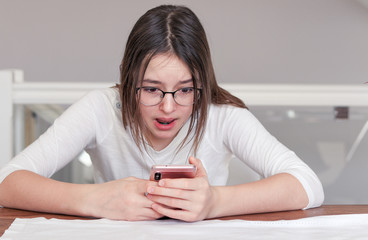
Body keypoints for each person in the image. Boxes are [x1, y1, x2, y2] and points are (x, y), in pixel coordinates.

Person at [0, 5, 324, 222]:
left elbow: (307, 184)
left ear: (203, 83)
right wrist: (95, 199)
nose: (168, 107)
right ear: (127, 79)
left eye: (185, 90)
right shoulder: (100, 108)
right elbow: (7, 182)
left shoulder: (222, 115)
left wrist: (214, 202)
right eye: (151, 89)